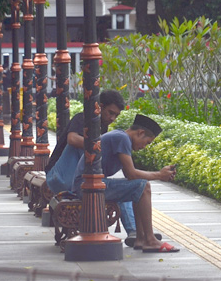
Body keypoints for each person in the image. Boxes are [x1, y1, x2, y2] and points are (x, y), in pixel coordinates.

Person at [46, 90, 154, 245]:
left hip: (79, 179)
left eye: (116, 116)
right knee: (86, 144)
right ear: (100, 107)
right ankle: (136, 232)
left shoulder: (104, 130)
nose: (112, 118)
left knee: (121, 187)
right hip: (60, 176)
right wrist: (98, 146)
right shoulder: (83, 118)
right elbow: (72, 139)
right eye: (110, 113)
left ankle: (133, 231)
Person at [72, 114, 179, 253]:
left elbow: (132, 176)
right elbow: (131, 173)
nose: (144, 147)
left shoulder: (120, 137)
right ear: (140, 133)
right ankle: (150, 239)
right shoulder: (121, 138)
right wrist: (159, 175)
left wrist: (159, 174)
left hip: (87, 185)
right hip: (86, 186)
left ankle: (141, 238)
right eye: (147, 142)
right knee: (143, 185)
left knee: (138, 186)